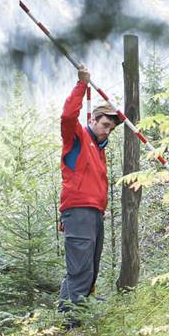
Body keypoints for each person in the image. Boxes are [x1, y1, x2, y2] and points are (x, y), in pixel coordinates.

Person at [58, 66, 122, 321]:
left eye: (111, 128)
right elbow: (66, 117)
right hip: (79, 212)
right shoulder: (77, 138)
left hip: (94, 214)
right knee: (81, 270)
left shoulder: (99, 149)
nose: (107, 130)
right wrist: (81, 85)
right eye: (105, 124)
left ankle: (69, 319)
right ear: (92, 120)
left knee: (90, 270)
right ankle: (71, 325)